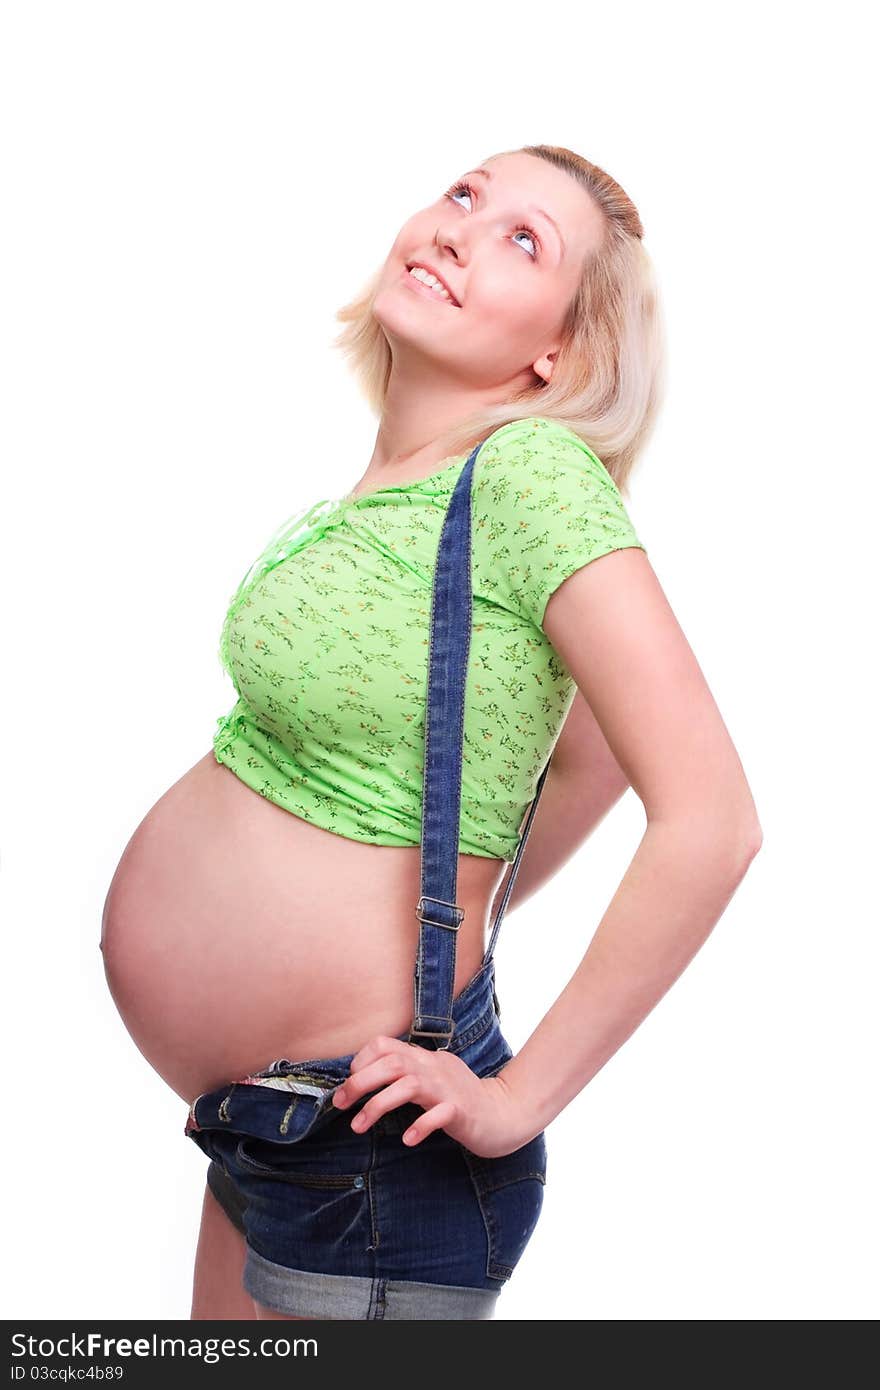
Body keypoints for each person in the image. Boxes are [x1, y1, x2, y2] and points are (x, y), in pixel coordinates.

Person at [100, 144, 762, 1321]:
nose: (460, 229)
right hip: (279, 1122)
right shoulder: (403, 480)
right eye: (465, 193)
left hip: (370, 1147)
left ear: (558, 350)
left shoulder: (532, 476)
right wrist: (432, 909)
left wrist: (520, 1098)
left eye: (523, 240)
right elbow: (595, 754)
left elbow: (710, 819)